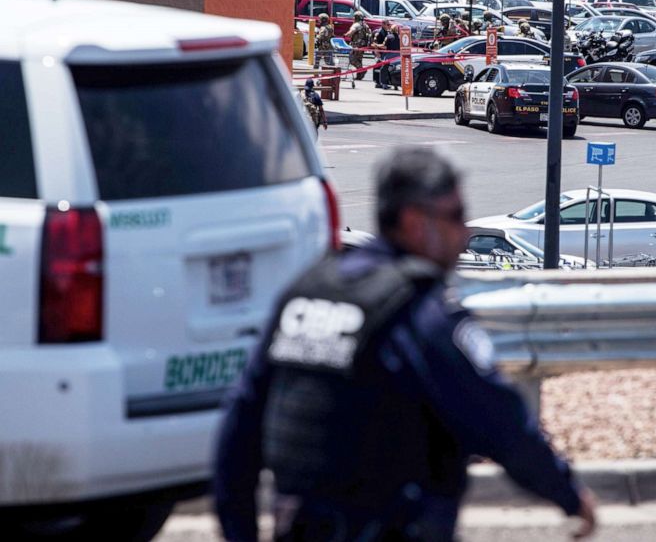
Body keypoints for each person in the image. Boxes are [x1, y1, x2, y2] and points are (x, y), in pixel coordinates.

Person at [213, 147, 597, 542]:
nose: (464, 234)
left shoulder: (307, 293)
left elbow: (239, 424)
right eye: (454, 217)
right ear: (415, 222)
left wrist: (238, 530)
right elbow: (502, 421)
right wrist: (568, 494)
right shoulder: (420, 313)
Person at [345, 11, 372, 80]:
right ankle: (359, 75)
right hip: (363, 45)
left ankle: (362, 70)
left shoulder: (356, 25)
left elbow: (350, 32)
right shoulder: (365, 25)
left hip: (356, 46)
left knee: (352, 60)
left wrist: (345, 35)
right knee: (359, 60)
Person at [372, 19, 393, 89]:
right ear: (383, 24)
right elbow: (375, 44)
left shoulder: (387, 32)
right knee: (378, 67)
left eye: (389, 25)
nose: (389, 26)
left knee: (383, 68)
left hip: (384, 53)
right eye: (387, 25)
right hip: (379, 53)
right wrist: (377, 53)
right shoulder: (379, 33)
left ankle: (382, 82)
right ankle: (378, 83)